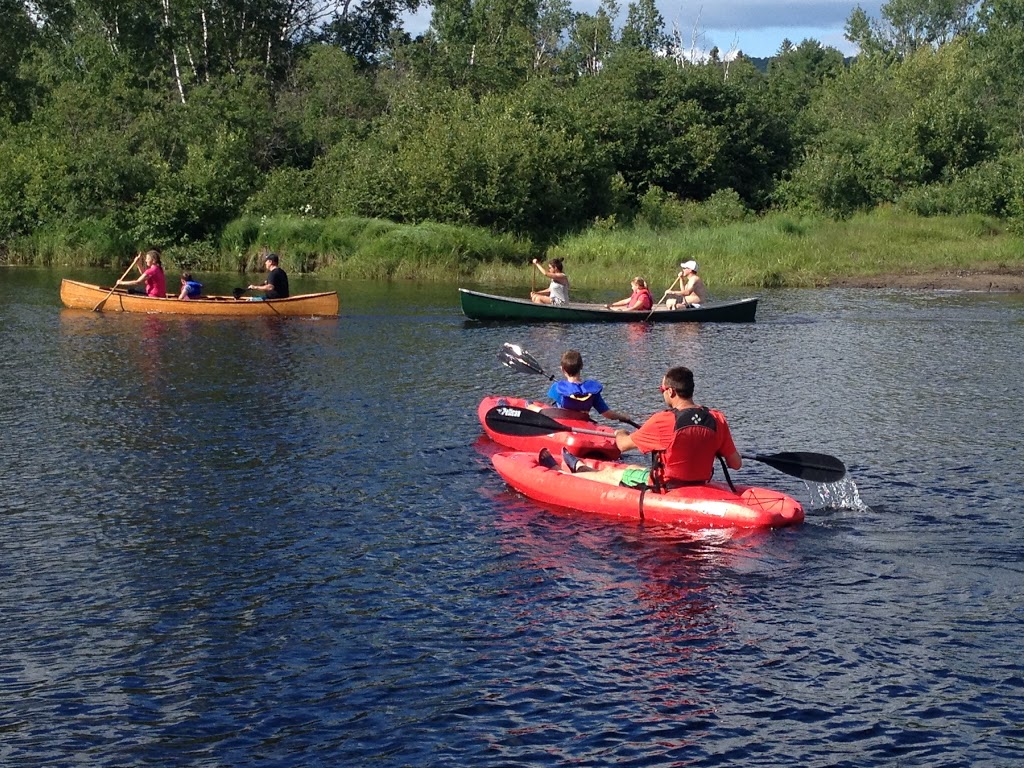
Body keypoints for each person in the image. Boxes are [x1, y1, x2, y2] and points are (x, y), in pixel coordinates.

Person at [542, 366, 741, 488]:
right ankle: (579, 466)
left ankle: (567, 474)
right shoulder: (717, 418)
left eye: (662, 390)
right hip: (700, 482)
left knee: (609, 475)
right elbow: (735, 464)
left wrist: (619, 432)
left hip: (665, 486)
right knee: (633, 468)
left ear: (671, 392)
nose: (662, 393)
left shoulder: (663, 421)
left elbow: (622, 446)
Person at [543, 350, 635, 425]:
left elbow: (549, 410)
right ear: (581, 366)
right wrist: (623, 417)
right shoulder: (592, 391)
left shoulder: (557, 388)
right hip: (584, 424)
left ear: (562, 369)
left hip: (565, 426)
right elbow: (607, 414)